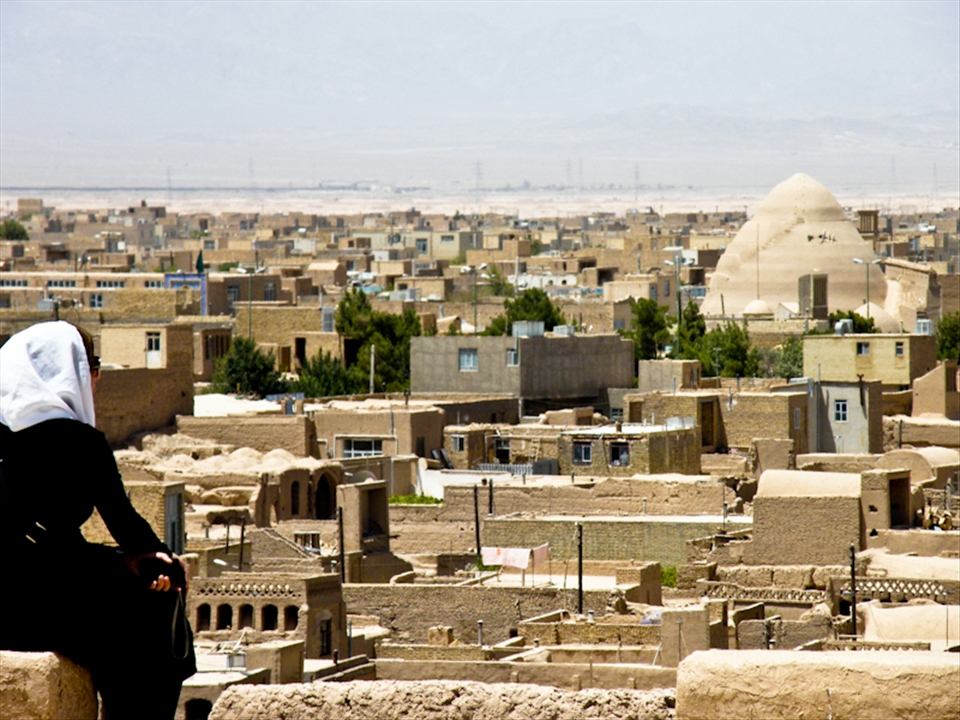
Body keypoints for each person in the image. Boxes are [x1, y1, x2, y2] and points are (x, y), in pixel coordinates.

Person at [0, 321, 196, 719]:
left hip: (7, 598)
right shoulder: (78, 442)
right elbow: (124, 524)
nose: (96, 377)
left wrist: (119, 561)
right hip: (33, 605)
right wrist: (162, 563)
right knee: (152, 616)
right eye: (90, 365)